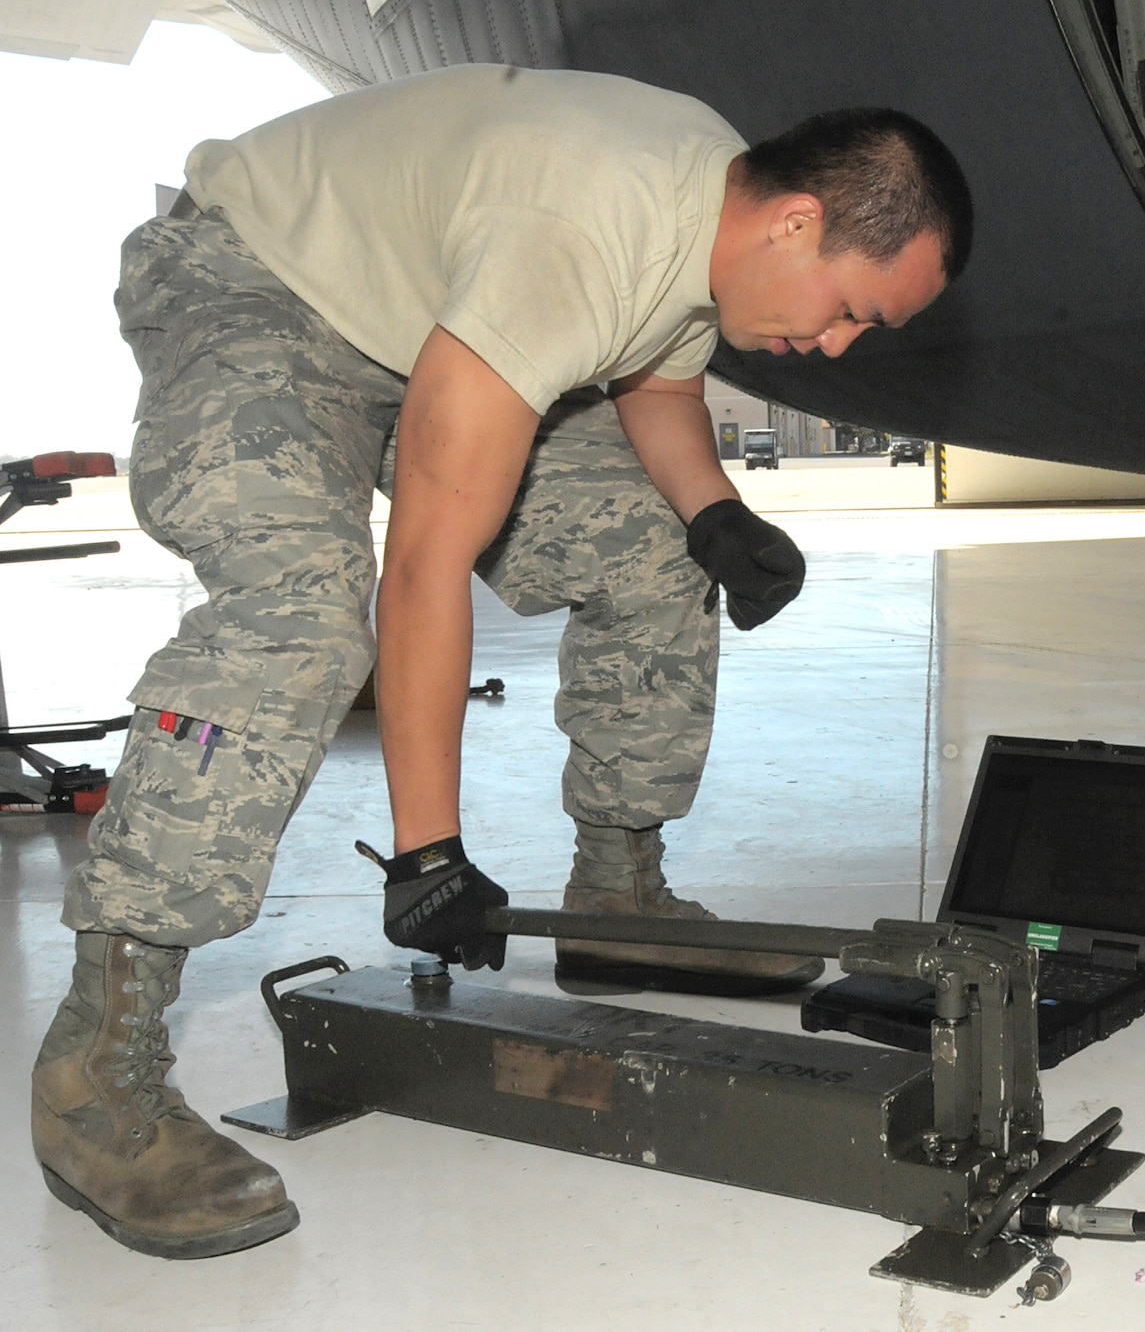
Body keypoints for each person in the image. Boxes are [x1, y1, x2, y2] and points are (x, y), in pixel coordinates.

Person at [29, 64, 973, 1260]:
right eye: (851, 309)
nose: (835, 348)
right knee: (303, 608)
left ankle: (616, 901)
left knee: (653, 545)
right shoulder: (578, 231)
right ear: (797, 223)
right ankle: (96, 1069)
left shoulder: (716, 219)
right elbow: (425, 559)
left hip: (429, 319)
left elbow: (655, 371)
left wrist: (714, 512)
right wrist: (430, 854)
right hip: (262, 286)